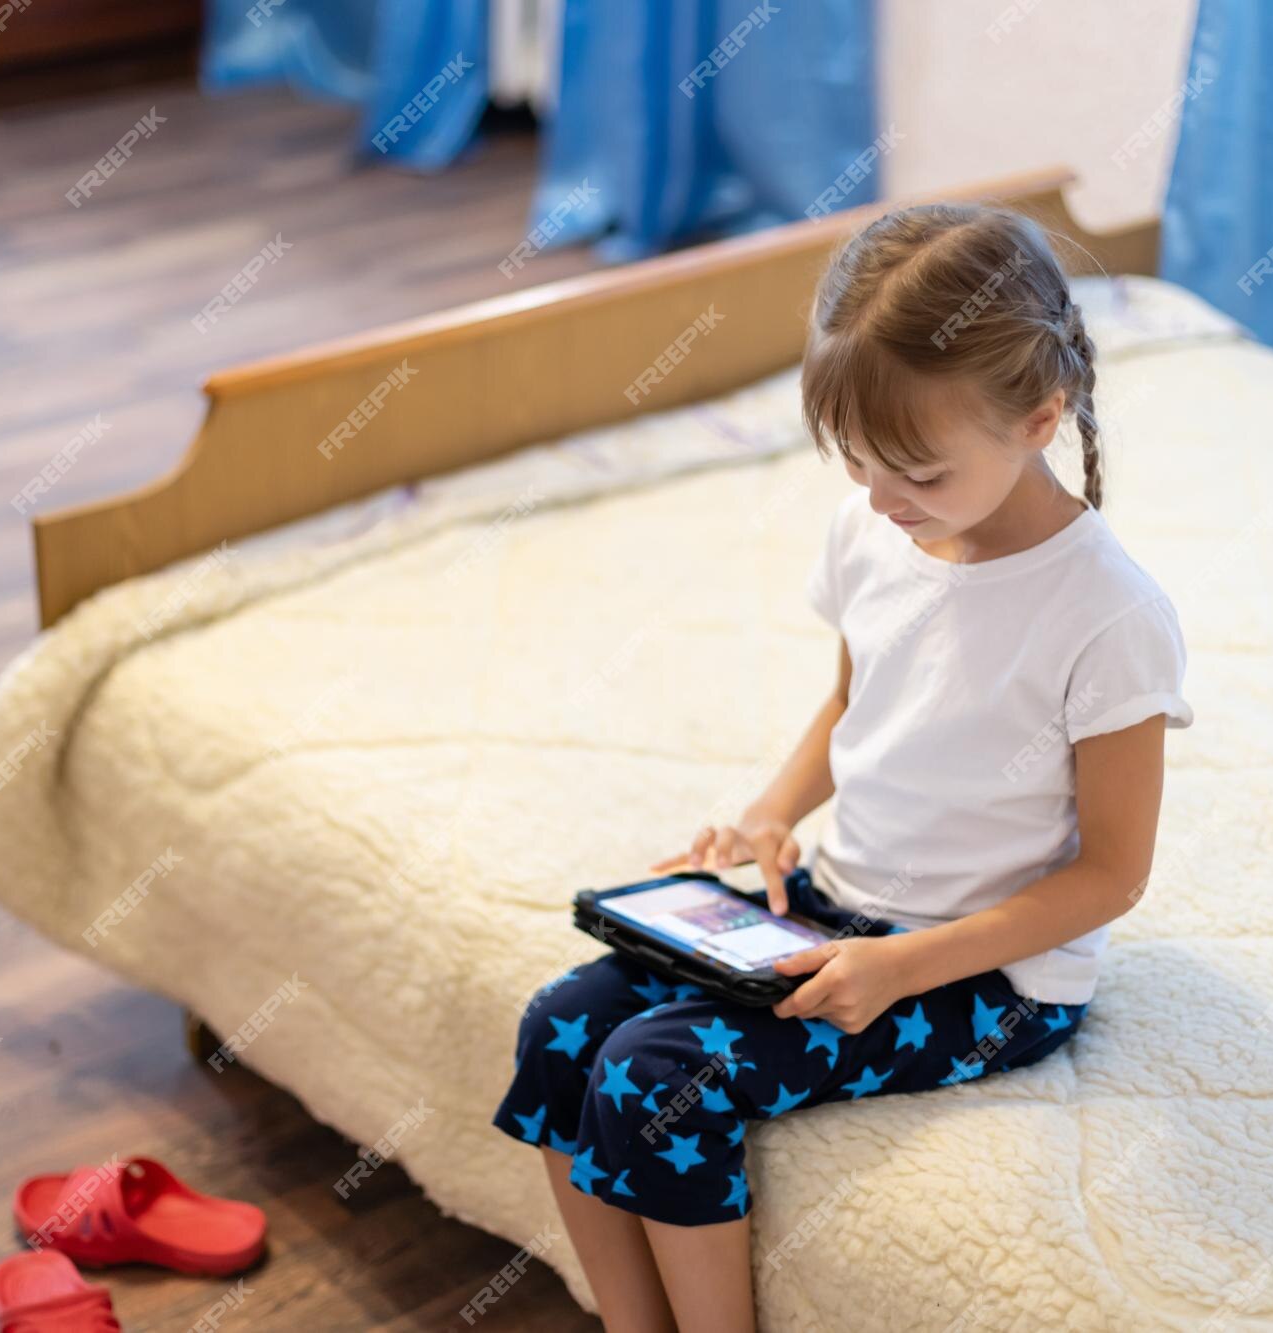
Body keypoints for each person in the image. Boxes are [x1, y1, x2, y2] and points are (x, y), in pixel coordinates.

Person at [491, 201, 1193, 1332]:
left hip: (988, 977)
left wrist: (908, 967)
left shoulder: (1106, 617)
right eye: (856, 462)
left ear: (1039, 418)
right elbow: (853, 696)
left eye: (911, 467)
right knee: (560, 1023)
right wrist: (767, 817)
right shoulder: (877, 527)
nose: (877, 497)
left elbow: (1110, 876)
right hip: (835, 906)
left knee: (656, 1076)